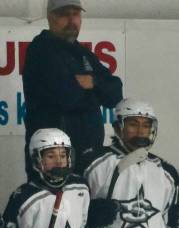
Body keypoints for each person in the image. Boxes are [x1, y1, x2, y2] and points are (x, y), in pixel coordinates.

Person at [81, 98, 179, 228]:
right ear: (117, 127)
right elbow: (72, 214)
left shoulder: (166, 171)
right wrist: (90, 215)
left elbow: (174, 221)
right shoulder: (93, 163)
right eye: (133, 124)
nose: (141, 131)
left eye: (146, 125)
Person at [23, 0, 123, 175]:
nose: (71, 20)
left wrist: (93, 83)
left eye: (75, 14)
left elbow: (115, 94)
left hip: (89, 156)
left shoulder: (83, 53)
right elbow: (66, 98)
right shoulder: (40, 50)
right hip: (53, 158)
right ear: (50, 17)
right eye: (64, 14)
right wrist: (94, 94)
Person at [1, 128, 90, 228]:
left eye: (63, 154)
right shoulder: (23, 197)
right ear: (36, 159)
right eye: (50, 156)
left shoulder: (80, 187)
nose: (59, 161)